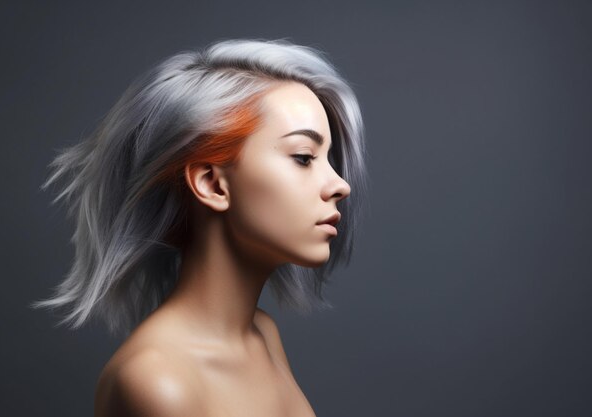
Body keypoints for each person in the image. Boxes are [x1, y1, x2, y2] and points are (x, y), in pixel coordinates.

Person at [33, 38, 368, 417]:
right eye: (304, 157)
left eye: (327, 158)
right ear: (211, 183)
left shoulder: (263, 335)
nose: (340, 184)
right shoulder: (159, 383)